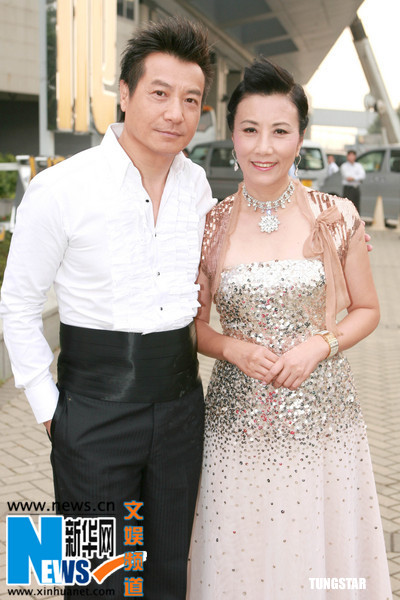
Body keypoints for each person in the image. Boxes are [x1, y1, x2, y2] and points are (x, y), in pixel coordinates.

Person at [0, 17, 215, 599]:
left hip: (181, 409)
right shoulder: (60, 188)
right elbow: (17, 302)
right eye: (160, 93)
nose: (176, 113)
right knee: (94, 582)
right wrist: (50, 409)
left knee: (167, 572)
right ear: (124, 93)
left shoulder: (198, 186)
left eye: (190, 100)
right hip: (90, 412)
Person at [187, 57, 391, 599]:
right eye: (250, 130)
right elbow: (192, 327)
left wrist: (321, 345)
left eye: (280, 131)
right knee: (242, 559)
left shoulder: (336, 216)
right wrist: (231, 349)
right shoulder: (208, 225)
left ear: (301, 137)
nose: (264, 147)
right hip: (235, 429)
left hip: (324, 425)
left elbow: (367, 310)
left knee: (317, 555)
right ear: (232, 134)